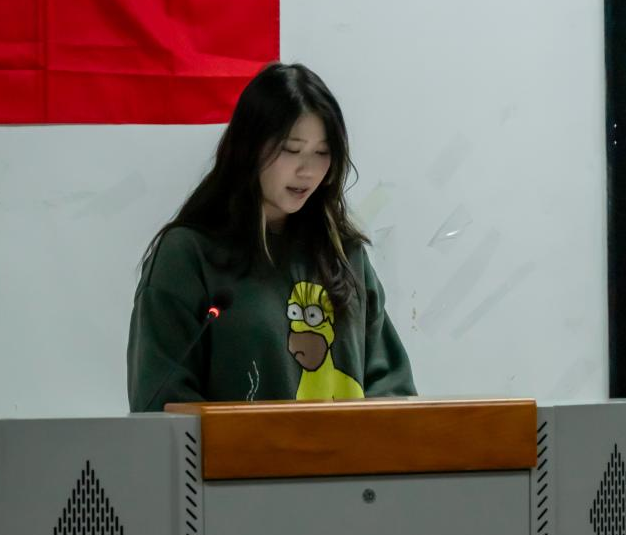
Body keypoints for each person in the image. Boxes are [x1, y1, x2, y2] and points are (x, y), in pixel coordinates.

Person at [126, 63, 417, 412]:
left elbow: (392, 387)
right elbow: (162, 402)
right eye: (291, 150)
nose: (307, 170)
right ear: (249, 148)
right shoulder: (188, 256)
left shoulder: (345, 254)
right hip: (237, 450)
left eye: (322, 153)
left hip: (348, 450)